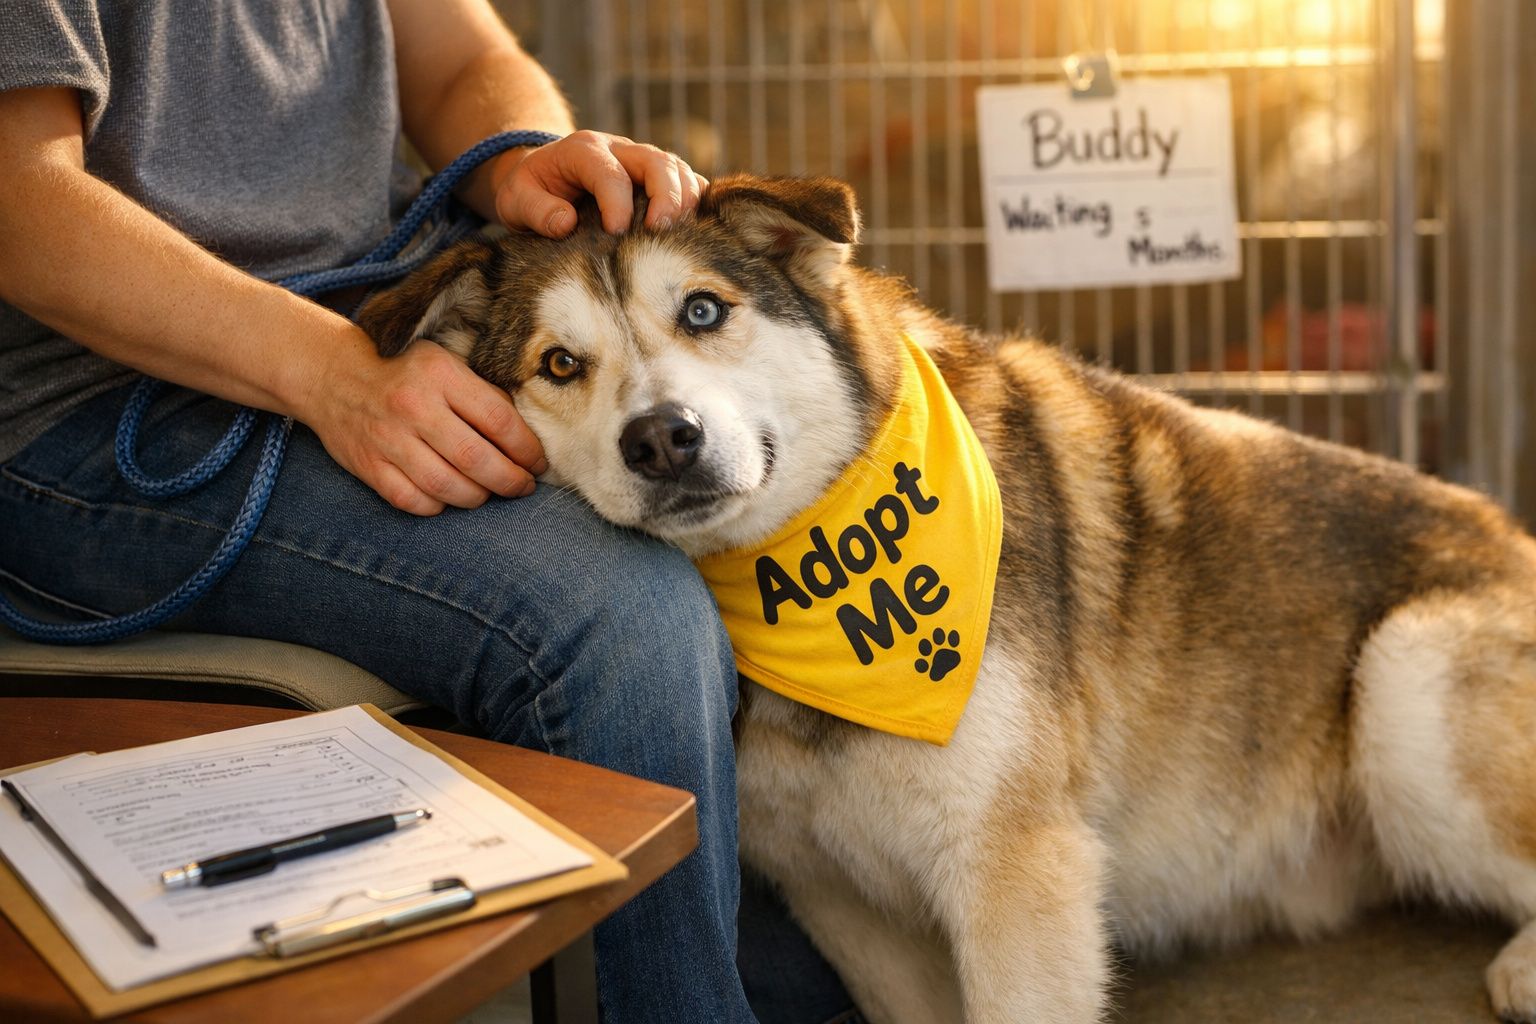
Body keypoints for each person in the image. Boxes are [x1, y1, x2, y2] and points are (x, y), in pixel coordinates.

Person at [0, 3, 857, 1022]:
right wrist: (335, 377)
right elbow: (21, 204)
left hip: (381, 321)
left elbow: (464, 61)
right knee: (622, 617)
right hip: (104, 412)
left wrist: (526, 163)